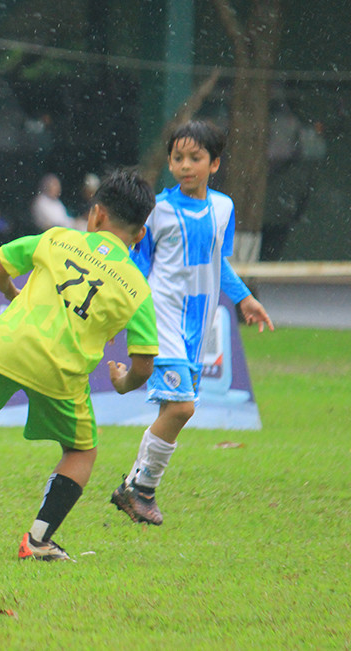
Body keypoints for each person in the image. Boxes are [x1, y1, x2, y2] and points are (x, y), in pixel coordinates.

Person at [0, 168, 159, 561]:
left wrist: (15, 292)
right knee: (81, 452)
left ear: (95, 215)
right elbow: (143, 364)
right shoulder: (138, 288)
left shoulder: (59, 238)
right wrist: (124, 382)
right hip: (61, 373)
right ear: (140, 235)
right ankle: (38, 540)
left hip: (8, 347)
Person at [110, 120, 273, 527]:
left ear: (214, 164)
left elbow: (217, 261)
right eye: (178, 158)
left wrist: (245, 298)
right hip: (160, 316)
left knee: (175, 407)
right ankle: (141, 489)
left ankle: (134, 487)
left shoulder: (223, 208)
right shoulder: (158, 211)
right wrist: (120, 308)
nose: (185, 165)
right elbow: (137, 265)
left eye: (194, 158)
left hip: (197, 326)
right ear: (169, 162)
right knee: (182, 406)